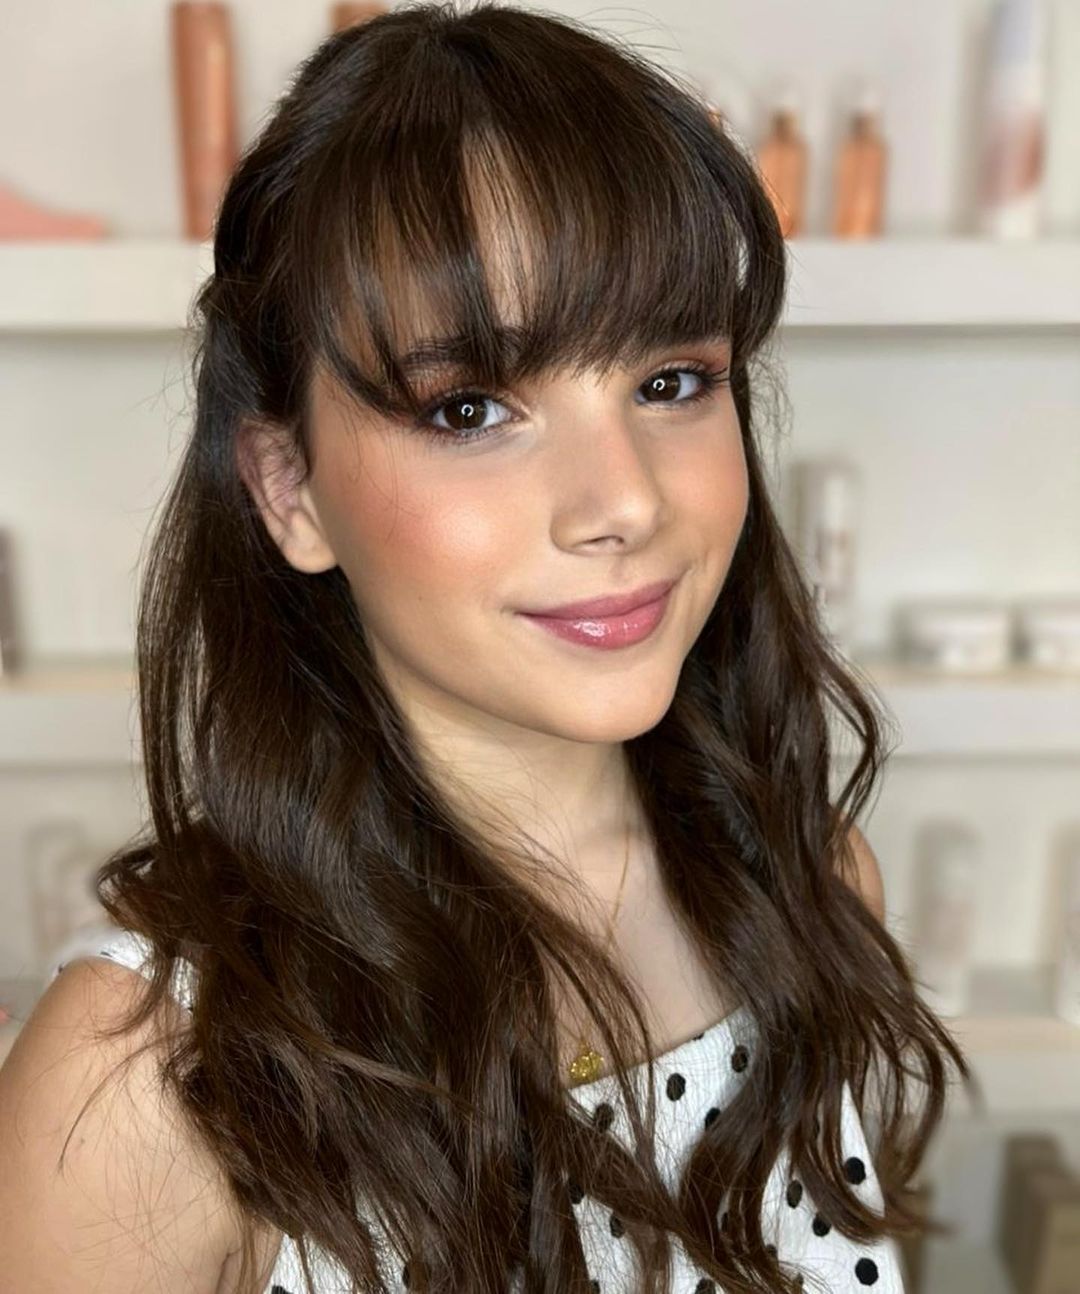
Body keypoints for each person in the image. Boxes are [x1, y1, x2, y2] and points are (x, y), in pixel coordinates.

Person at [0, 3, 975, 1291]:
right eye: (470, 409)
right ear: (290, 491)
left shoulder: (812, 886)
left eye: (671, 382)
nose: (623, 502)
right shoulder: (141, 1088)